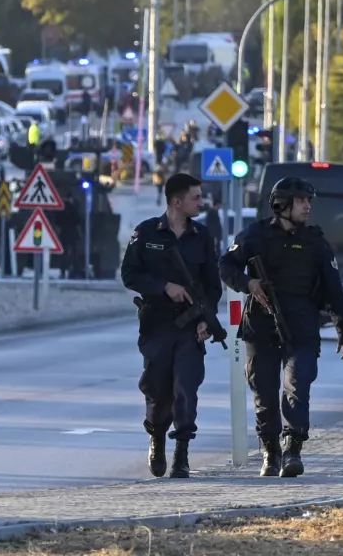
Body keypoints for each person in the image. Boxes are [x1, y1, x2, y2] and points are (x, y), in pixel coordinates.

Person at [219, 177, 343, 478]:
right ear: (283, 204)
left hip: (302, 325)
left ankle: (293, 447)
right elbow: (226, 265)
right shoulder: (254, 235)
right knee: (264, 392)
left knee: (297, 386)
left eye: (308, 200)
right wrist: (248, 283)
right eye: (300, 200)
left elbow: (333, 289)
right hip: (261, 324)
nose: (307, 206)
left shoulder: (315, 241)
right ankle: (270, 451)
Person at [120, 173, 223, 479]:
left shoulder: (202, 236)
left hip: (190, 326)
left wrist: (207, 319)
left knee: (185, 387)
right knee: (157, 386)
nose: (201, 202)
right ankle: (156, 438)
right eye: (196, 197)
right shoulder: (147, 232)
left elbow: (212, 286)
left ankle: (181, 453)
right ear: (177, 201)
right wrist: (163, 286)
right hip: (157, 322)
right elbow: (129, 274)